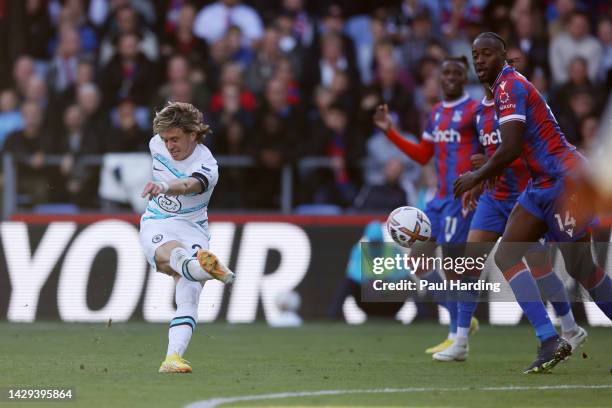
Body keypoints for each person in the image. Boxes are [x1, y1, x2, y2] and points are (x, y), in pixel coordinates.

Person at [454, 32, 612, 373]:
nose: (478, 60)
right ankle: (549, 339)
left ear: (503, 55)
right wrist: (489, 165)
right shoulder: (500, 92)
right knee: (509, 252)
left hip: (565, 179)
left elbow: (511, 147)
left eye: (486, 53)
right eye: (474, 54)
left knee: (581, 268)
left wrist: (476, 177)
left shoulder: (510, 87)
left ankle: (559, 332)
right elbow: (514, 149)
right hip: (541, 184)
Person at [433, 84, 587, 362]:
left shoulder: (517, 106)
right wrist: (479, 180)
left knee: (540, 267)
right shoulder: (480, 112)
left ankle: (569, 327)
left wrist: (486, 165)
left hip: (524, 198)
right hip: (494, 199)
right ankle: (460, 340)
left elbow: (519, 153)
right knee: (471, 263)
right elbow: (490, 157)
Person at [373, 56, 481, 354]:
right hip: (437, 199)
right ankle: (461, 320)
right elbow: (423, 155)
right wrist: (390, 132)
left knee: (453, 267)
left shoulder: (475, 111)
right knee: (417, 262)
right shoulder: (435, 113)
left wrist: (480, 179)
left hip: (462, 199)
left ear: (464, 78)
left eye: (456, 73)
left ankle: (455, 337)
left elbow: (489, 151)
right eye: (445, 72)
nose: (449, 77)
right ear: (437, 78)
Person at [139, 102, 235, 373]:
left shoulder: (207, 165)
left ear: (193, 134)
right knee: (174, 254)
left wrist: (164, 186)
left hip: (193, 227)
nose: (169, 145)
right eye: (166, 139)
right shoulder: (155, 143)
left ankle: (172, 359)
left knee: (189, 293)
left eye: (175, 139)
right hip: (158, 221)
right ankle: (205, 269)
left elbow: (188, 185)